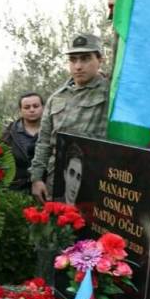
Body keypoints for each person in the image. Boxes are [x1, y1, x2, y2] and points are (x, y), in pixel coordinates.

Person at [30, 33, 109, 203]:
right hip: (56, 182)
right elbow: (43, 142)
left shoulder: (110, 93)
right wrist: (36, 178)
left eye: (85, 59)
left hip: (96, 183)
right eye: (73, 60)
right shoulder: (56, 98)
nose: (78, 66)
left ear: (100, 60)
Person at [2, 93, 44, 192]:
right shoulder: (8, 134)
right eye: (27, 107)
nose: (32, 110)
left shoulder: (53, 132)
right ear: (20, 110)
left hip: (45, 188)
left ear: (43, 107)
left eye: (36, 106)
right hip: (16, 190)